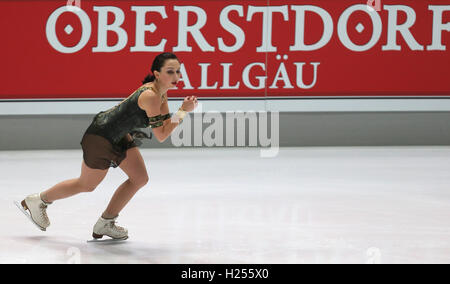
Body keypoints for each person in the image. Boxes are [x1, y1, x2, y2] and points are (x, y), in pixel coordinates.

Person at [16, 52, 198, 240]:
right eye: (170, 71)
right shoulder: (151, 95)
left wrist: (181, 112)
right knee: (86, 184)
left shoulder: (161, 93)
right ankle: (38, 201)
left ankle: (106, 222)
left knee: (139, 178)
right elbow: (161, 135)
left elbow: (165, 126)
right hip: (100, 137)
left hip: (118, 136)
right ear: (157, 74)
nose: (176, 77)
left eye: (178, 71)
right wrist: (183, 111)